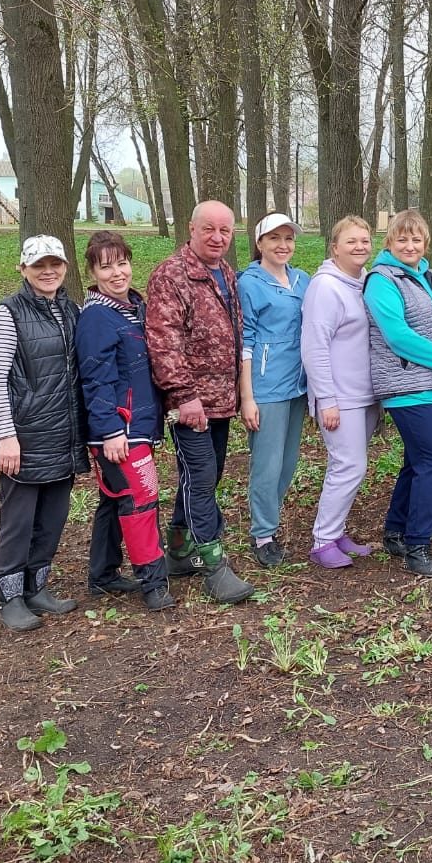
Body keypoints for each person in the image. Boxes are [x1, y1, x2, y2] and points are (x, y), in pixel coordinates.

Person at [145, 200, 254, 605]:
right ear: (191, 229)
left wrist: (240, 393)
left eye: (225, 231)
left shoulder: (225, 272)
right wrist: (184, 396)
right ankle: (213, 564)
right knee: (202, 475)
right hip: (190, 404)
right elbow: (163, 341)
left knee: (205, 475)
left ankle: (176, 549)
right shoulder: (172, 275)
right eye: (209, 229)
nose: (217, 237)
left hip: (221, 399)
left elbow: (235, 332)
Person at [0, 235, 87, 631]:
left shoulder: (72, 311)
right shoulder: (8, 313)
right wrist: (6, 435)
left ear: (64, 267)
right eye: (39, 265)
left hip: (63, 434)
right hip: (24, 437)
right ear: (23, 269)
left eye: (55, 264)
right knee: (19, 519)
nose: (48, 271)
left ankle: (36, 587)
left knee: (53, 516)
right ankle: (9, 596)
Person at [75, 231, 174, 612]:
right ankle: (153, 581)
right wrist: (110, 431)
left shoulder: (135, 307)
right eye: (106, 267)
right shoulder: (98, 317)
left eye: (122, 263)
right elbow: (96, 378)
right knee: (140, 498)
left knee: (112, 499)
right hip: (119, 430)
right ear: (93, 271)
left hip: (141, 425)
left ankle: (102, 574)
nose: (117, 273)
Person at [364, 209, 432, 580]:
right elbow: (398, 336)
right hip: (405, 387)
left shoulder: (427, 276)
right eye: (402, 239)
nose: (410, 245)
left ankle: (396, 530)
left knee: (417, 460)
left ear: (426, 242)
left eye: (416, 239)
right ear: (389, 242)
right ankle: (418, 546)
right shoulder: (381, 280)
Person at [301, 216, 379, 570]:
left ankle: (337, 532)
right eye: (351, 241)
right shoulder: (325, 288)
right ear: (335, 247)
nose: (360, 246)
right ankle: (322, 540)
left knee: (350, 467)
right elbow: (314, 347)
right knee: (349, 466)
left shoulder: (362, 282)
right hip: (339, 399)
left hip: (363, 395)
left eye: (365, 240)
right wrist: (326, 400)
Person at [237, 213, 310, 568]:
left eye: (288, 239)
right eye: (274, 239)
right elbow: (245, 343)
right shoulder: (249, 284)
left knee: (288, 462)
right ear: (260, 243)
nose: (283, 245)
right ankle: (262, 534)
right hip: (266, 389)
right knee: (267, 464)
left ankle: (269, 520)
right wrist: (247, 397)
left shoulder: (302, 280)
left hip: (298, 386)